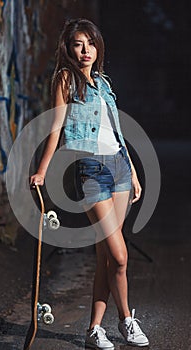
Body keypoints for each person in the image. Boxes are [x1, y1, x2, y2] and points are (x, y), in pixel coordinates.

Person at [30, 18, 149, 349]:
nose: (85, 51)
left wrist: (135, 173)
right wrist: (42, 169)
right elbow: (55, 127)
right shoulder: (65, 80)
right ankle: (126, 320)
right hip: (91, 172)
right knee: (120, 256)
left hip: (120, 170)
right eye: (78, 44)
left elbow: (116, 131)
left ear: (98, 47)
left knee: (105, 258)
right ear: (69, 49)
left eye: (91, 44)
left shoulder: (104, 83)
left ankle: (94, 329)